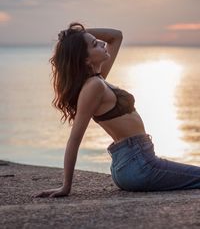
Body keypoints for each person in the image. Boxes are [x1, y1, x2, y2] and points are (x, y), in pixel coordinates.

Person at [35, 22, 200, 198]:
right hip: (139, 164)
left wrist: (74, 35)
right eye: (94, 44)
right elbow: (74, 139)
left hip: (131, 165)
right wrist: (65, 186)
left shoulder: (98, 79)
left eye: (98, 41)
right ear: (85, 59)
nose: (102, 43)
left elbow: (116, 36)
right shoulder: (94, 86)